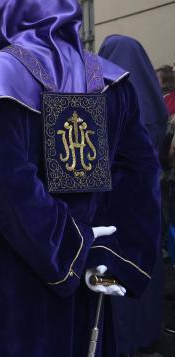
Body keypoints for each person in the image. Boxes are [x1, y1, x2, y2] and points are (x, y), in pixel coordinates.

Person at [0, 0, 161, 356]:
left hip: (8, 268)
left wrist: (70, 250)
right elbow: (140, 177)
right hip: (90, 271)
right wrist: (107, 256)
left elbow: (8, 186)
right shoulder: (114, 80)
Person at [98, 35, 167, 355]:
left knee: (113, 266)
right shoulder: (154, 99)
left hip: (114, 201)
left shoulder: (111, 96)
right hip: (148, 199)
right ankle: (146, 331)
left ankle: (118, 335)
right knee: (145, 265)